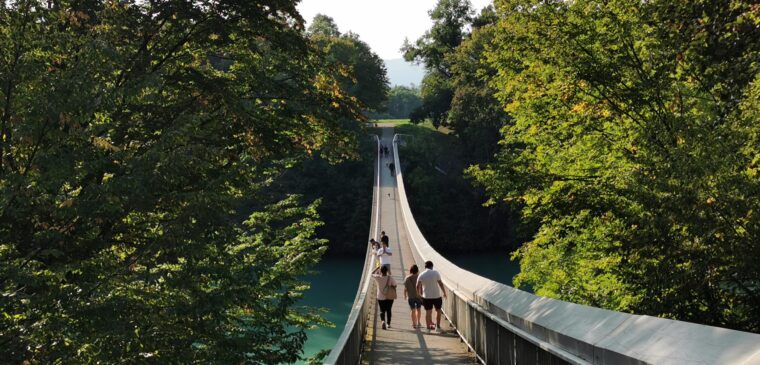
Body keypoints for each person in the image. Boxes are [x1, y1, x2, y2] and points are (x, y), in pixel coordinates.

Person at [416, 261, 447, 331]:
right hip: (436, 296)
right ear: (432, 266)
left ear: (425, 267)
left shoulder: (421, 274)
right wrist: (444, 292)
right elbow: (440, 283)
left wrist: (419, 295)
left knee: (428, 312)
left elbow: (417, 285)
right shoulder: (436, 273)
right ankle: (438, 327)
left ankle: (428, 328)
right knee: (438, 311)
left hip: (426, 296)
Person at [373, 265, 396, 330]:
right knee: (389, 310)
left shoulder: (378, 277)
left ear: (381, 271)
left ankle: (383, 321)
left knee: (382, 310)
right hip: (389, 296)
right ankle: (388, 324)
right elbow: (395, 285)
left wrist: (377, 268)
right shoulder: (390, 278)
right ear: (387, 271)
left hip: (380, 296)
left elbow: (372, 274)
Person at [404, 264, 423, 328]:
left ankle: (414, 323)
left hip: (411, 296)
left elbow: (405, 288)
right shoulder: (419, 277)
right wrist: (422, 295)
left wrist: (405, 296)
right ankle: (418, 322)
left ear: (411, 270)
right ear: (417, 270)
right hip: (418, 296)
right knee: (419, 309)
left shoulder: (407, 278)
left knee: (412, 310)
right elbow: (422, 287)